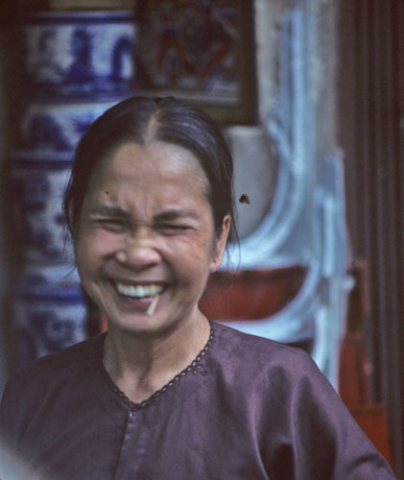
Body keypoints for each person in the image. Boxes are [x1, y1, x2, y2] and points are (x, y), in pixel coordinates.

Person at [0, 97, 396, 479]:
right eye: (112, 222)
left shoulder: (280, 393)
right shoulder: (32, 399)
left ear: (218, 241)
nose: (138, 254)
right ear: (74, 225)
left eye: (172, 225)